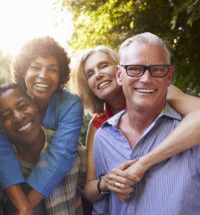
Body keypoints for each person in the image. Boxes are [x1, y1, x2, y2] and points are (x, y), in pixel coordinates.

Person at [69, 44, 200, 203]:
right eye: (90, 73)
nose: (98, 75)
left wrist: (143, 163)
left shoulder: (154, 90)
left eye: (103, 66)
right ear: (88, 86)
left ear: (119, 71)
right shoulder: (98, 126)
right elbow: (90, 190)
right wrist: (105, 183)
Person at [0, 36, 84, 212]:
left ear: (60, 74)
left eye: (52, 69)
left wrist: (26, 208)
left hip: (57, 181)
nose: (43, 75)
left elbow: (60, 154)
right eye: (36, 67)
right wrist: (22, 205)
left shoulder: (70, 104)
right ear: (24, 70)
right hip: (18, 175)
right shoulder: (5, 101)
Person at [0, 83, 86, 214]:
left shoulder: (76, 155)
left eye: (23, 106)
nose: (18, 117)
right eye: (6, 116)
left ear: (35, 105)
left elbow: (98, 197)